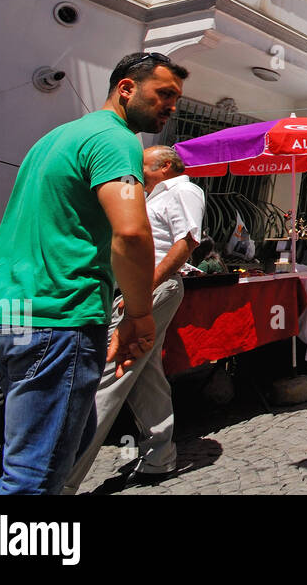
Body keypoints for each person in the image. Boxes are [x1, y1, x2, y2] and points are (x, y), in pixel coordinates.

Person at [0, 51, 185, 494]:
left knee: (30, 459)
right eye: (164, 94)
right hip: (58, 321)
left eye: (176, 98)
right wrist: (139, 314)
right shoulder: (117, 140)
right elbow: (131, 233)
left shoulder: (59, 135)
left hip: (8, 314)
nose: (171, 107)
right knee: (34, 478)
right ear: (126, 88)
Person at [63, 144, 203, 493]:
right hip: (137, 287)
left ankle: (63, 479)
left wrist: (142, 289)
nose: (138, 169)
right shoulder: (154, 193)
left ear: (167, 165)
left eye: (144, 164)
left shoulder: (184, 190)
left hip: (147, 288)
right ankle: (160, 455)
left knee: (110, 373)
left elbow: (186, 242)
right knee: (144, 373)